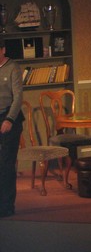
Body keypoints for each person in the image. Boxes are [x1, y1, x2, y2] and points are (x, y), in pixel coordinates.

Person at [0, 39, 24, 218]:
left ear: (3, 50)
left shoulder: (13, 68)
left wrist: (9, 119)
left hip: (10, 118)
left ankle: (7, 206)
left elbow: (18, 97)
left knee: (6, 164)